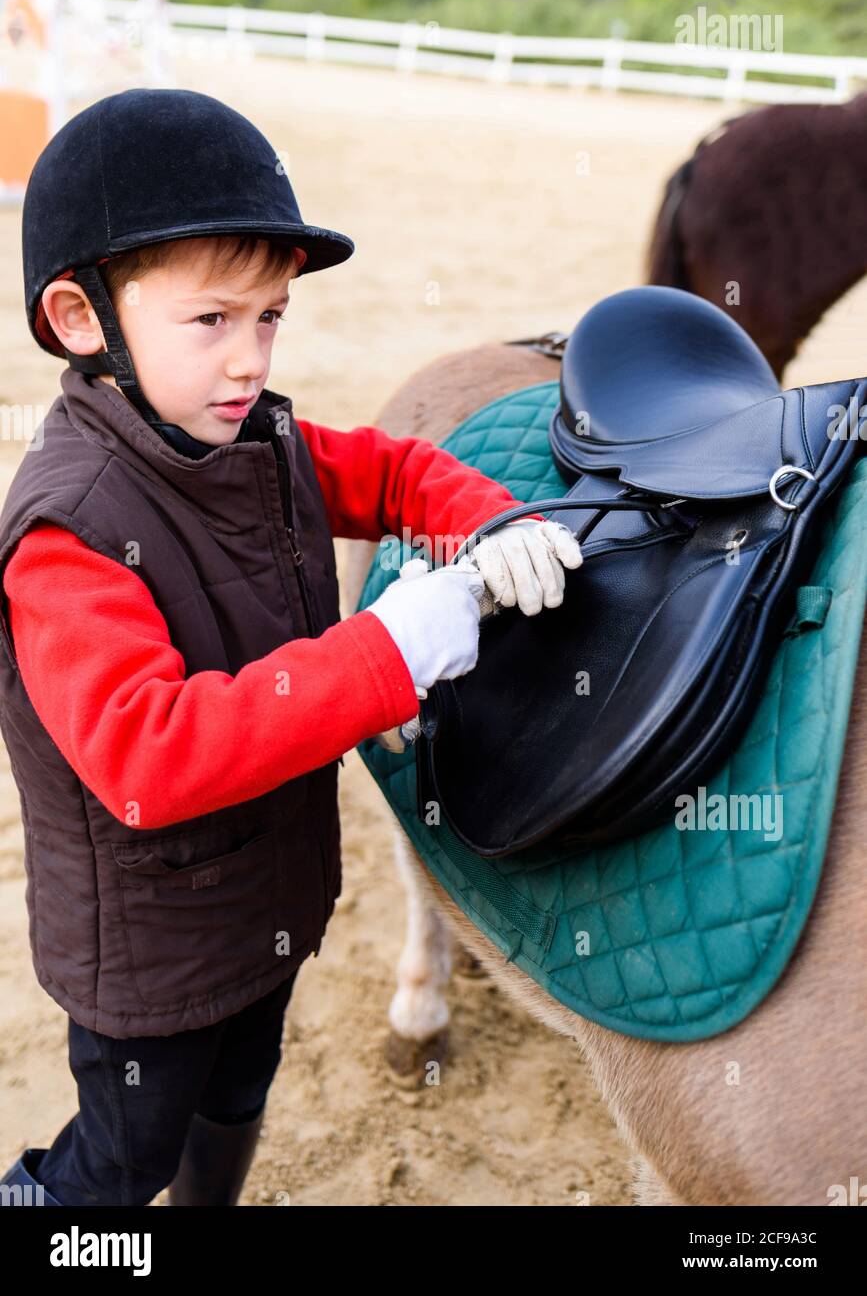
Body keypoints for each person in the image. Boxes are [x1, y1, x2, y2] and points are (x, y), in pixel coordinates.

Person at [0, 88, 582, 1207]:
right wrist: (389, 650)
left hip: (268, 909)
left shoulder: (257, 438)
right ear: (84, 320)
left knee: (240, 1093)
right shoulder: (66, 532)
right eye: (213, 320)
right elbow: (147, 757)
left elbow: (400, 471)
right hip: (149, 962)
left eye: (270, 317)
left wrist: (493, 520)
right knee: (117, 1165)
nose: (249, 358)